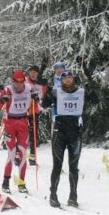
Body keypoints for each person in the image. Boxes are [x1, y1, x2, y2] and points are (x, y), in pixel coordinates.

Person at [41, 70, 98, 207]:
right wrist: (47, 91)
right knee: (57, 165)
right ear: (61, 80)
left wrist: (88, 83)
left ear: (73, 79)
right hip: (59, 131)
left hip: (75, 131)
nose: (67, 80)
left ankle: (73, 195)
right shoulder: (56, 92)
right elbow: (44, 105)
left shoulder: (81, 92)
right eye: (64, 78)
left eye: (70, 77)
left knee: (73, 166)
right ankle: (53, 195)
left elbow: (95, 100)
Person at [0, 70, 38, 194]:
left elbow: (39, 103)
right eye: (16, 82)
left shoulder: (29, 88)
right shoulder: (8, 90)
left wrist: (36, 98)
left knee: (23, 153)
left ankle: (21, 182)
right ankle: (5, 182)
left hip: (23, 122)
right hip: (10, 124)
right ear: (13, 81)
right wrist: (2, 100)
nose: (18, 85)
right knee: (12, 153)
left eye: (21, 82)